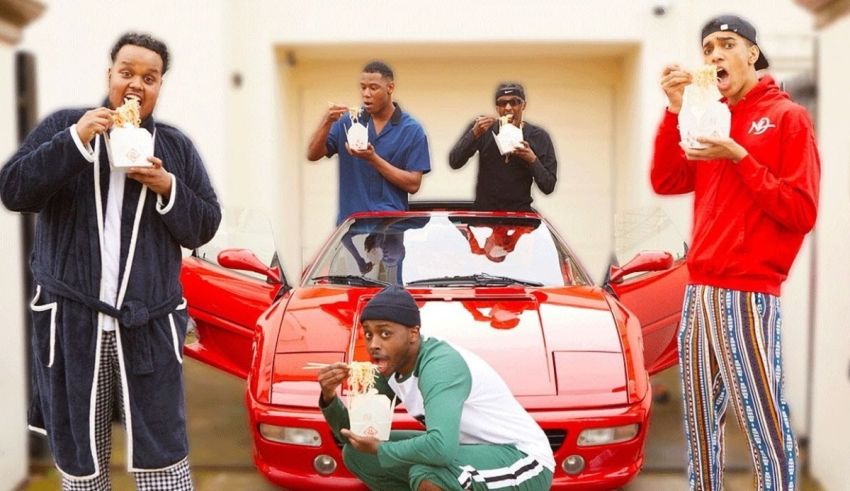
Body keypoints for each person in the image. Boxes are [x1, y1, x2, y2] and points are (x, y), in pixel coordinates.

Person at [0, 32, 221, 490]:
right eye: (127, 73)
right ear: (110, 75)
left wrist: (167, 186)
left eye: (150, 77)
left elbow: (204, 225)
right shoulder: (66, 127)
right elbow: (15, 189)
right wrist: (77, 139)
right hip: (73, 325)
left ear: (161, 85)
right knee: (84, 462)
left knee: (164, 462)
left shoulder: (175, 148)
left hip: (147, 328)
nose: (137, 84)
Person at [651, 15, 819, 491]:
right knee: (701, 424)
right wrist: (675, 107)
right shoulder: (709, 115)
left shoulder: (788, 118)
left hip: (747, 292)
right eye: (707, 48)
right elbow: (667, 180)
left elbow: (801, 211)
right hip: (699, 289)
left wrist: (740, 157)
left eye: (727, 44)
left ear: (753, 53)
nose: (714, 55)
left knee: (763, 422)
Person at [317, 285, 554, 490]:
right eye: (368, 334)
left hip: (524, 461)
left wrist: (381, 448)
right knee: (357, 454)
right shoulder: (391, 366)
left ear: (413, 334)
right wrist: (329, 397)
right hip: (466, 452)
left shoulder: (440, 366)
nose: (374, 344)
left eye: (385, 333)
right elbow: (355, 434)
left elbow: (440, 448)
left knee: (428, 472)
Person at [306, 60, 431, 224]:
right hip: (352, 228)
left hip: (391, 229)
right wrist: (326, 121)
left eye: (373, 88)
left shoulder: (412, 130)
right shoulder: (347, 121)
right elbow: (312, 154)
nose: (366, 93)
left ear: (390, 88)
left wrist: (372, 158)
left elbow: (413, 184)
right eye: (363, 87)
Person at [448, 82, 557, 211]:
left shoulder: (539, 136)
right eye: (502, 103)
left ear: (524, 105)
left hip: (519, 217)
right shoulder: (483, 129)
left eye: (514, 102)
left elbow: (548, 186)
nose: (508, 108)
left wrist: (532, 159)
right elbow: (454, 162)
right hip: (485, 216)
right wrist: (473, 134)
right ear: (497, 108)